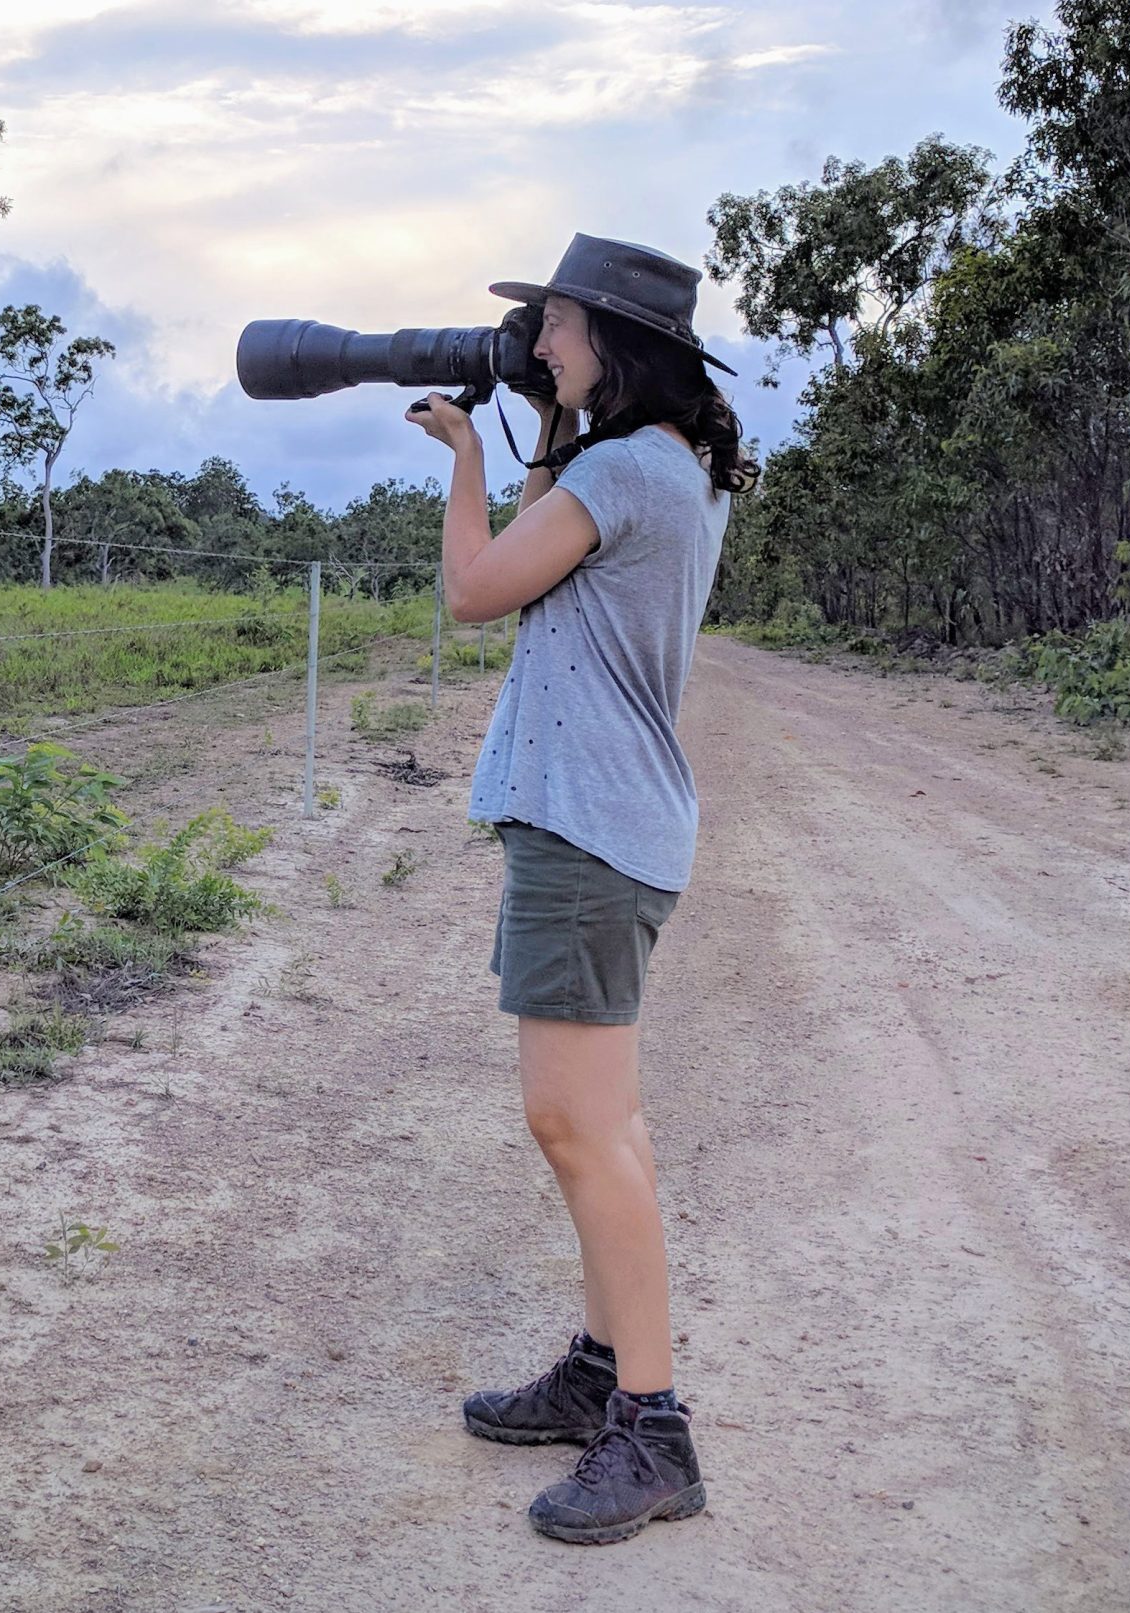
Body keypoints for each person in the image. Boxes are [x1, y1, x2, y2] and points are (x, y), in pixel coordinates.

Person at [404, 232, 757, 1545]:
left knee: (576, 1126)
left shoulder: (622, 469)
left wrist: (469, 460)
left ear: (616, 338)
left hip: (589, 831)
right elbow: (553, 544)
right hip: (604, 826)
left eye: (557, 326)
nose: (540, 344)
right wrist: (551, 423)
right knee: (606, 1122)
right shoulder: (658, 464)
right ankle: (604, 1372)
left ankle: (653, 1429)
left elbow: (475, 588)